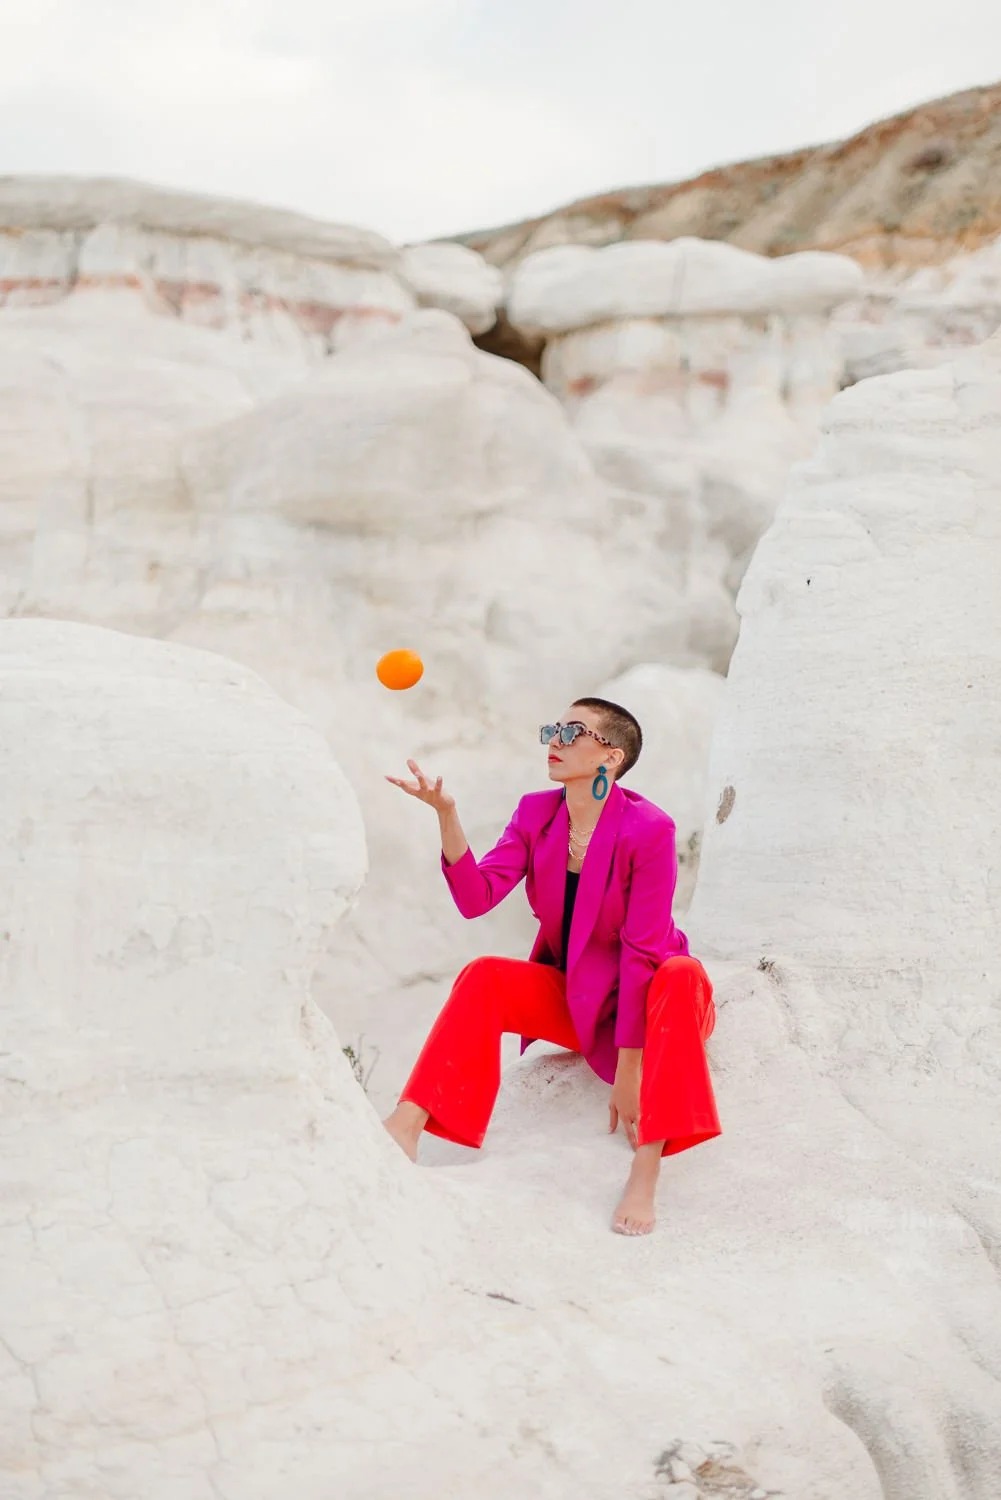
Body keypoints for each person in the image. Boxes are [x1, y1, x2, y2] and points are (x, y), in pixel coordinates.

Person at [382, 697, 721, 1235]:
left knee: (679, 975)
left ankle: (646, 1165)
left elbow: (644, 948)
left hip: (658, 997)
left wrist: (630, 1070)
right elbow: (478, 896)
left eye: (573, 731)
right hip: (583, 995)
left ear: (610, 757)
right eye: (553, 729)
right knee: (485, 975)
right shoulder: (535, 813)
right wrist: (447, 816)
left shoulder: (648, 828)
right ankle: (407, 1123)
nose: (556, 740)